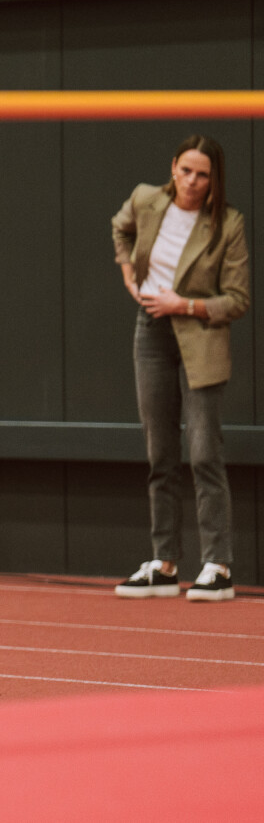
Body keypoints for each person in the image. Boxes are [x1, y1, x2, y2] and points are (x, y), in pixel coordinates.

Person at [110, 135, 249, 603]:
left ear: (214, 180)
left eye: (202, 174)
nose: (191, 181)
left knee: (205, 452)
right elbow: (120, 228)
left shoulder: (228, 223)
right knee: (160, 452)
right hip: (150, 331)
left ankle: (217, 565)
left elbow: (238, 300)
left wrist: (184, 304)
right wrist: (129, 273)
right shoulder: (145, 199)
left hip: (201, 337)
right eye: (186, 170)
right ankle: (164, 563)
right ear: (173, 167)